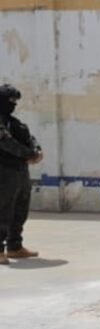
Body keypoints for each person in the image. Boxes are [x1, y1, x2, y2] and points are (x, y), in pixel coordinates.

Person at [0, 84, 44, 265]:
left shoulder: (14, 122)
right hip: (4, 171)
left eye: (15, 101)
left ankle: (15, 246)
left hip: (20, 171)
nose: (13, 104)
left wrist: (37, 150)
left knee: (20, 209)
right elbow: (6, 142)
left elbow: (30, 137)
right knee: (3, 210)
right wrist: (30, 154)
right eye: (10, 101)